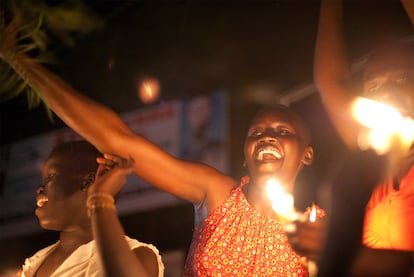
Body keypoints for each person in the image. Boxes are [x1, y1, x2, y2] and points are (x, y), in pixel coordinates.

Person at [0, 17, 319, 276]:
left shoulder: (317, 227)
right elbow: (119, 140)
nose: (267, 136)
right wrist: (18, 60)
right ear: (245, 155)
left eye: (283, 131)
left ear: (307, 154)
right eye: (256, 132)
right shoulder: (218, 194)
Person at [286, 0, 414, 275]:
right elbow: (332, 85)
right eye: (375, 85)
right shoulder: (377, 164)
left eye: (402, 78)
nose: (387, 91)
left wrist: (336, 247)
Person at [21, 140, 164, 277]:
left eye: (50, 176)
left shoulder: (139, 255)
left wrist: (100, 197)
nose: (39, 189)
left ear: (89, 181)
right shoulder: (35, 263)